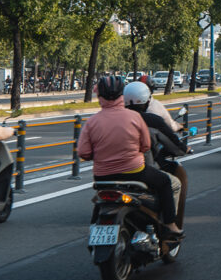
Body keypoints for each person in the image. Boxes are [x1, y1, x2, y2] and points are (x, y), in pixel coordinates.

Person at [78, 76, 183, 237]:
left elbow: (84, 153)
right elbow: (146, 145)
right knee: (165, 182)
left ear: (99, 97)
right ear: (122, 95)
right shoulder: (135, 118)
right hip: (135, 172)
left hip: (102, 177)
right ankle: (170, 224)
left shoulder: (92, 122)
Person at [123, 81, 189, 224]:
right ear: (146, 100)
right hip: (140, 169)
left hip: (105, 173)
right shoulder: (151, 121)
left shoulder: (110, 120)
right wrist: (184, 149)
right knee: (174, 183)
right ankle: (169, 225)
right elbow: (174, 147)